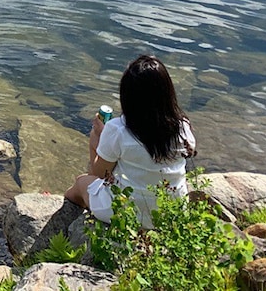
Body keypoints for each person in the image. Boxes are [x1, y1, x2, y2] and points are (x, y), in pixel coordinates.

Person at [64, 54, 197, 228]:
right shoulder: (182, 127)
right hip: (171, 213)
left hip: (125, 213)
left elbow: (99, 173)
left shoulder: (118, 129)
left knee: (82, 182)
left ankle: (61, 213)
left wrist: (96, 137)